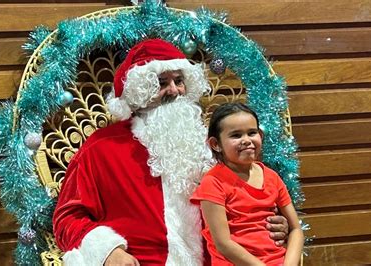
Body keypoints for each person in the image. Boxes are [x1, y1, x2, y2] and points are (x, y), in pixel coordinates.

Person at [52, 39, 289, 266]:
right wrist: (108, 251)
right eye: (161, 83)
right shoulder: (102, 148)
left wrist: (273, 224)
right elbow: (67, 219)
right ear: (139, 91)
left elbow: (246, 199)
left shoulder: (208, 145)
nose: (174, 90)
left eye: (179, 80)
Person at [191, 103, 303, 266]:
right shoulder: (213, 182)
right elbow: (223, 244)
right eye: (236, 135)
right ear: (216, 144)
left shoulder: (272, 177)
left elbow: (295, 229)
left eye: (252, 132)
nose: (246, 140)